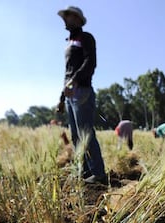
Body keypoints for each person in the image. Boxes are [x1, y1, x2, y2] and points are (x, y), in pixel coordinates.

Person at [56, 6, 106, 184]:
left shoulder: (86, 38)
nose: (65, 18)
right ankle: (83, 172)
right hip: (70, 94)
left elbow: (90, 62)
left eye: (69, 16)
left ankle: (98, 173)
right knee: (76, 136)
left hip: (81, 91)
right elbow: (67, 72)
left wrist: (74, 81)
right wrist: (62, 98)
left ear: (77, 19)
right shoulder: (69, 42)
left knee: (86, 132)